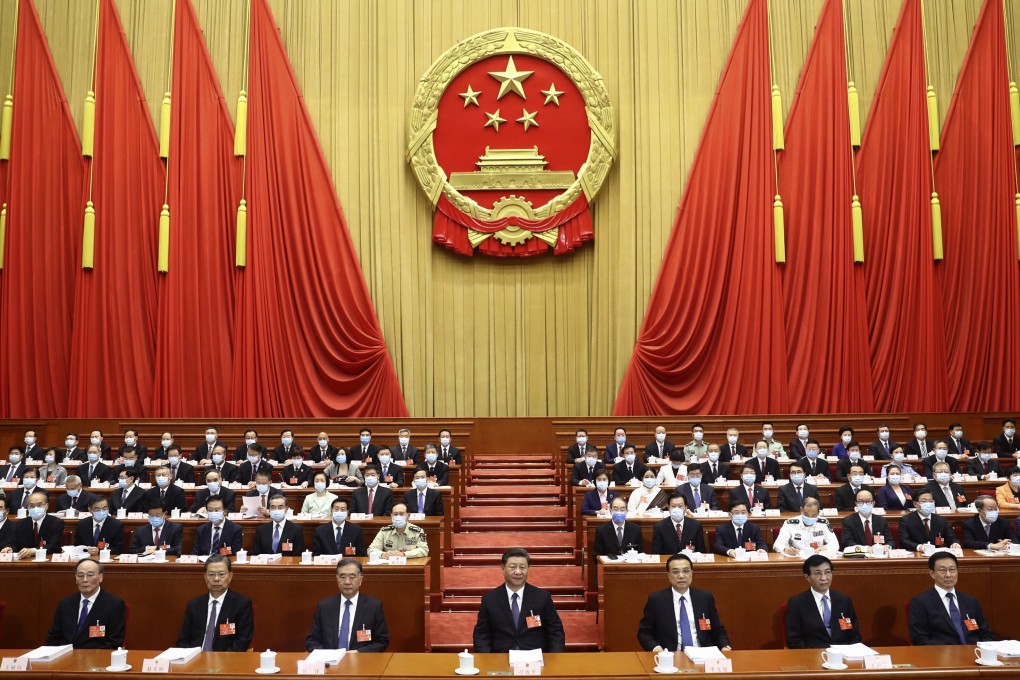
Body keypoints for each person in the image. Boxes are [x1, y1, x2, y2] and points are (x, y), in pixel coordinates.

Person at [473, 548, 565, 652]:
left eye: (522, 567)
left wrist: (554, 659)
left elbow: (555, 632)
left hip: (534, 659)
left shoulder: (542, 597)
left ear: (528, 569)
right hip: (501, 658)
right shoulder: (490, 599)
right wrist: (488, 659)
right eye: (512, 567)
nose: (518, 572)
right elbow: (482, 634)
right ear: (502, 568)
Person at [637, 553, 730, 652]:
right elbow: (644, 633)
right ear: (668, 575)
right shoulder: (656, 600)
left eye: (686, 571)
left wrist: (725, 647)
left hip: (703, 654)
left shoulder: (705, 598)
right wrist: (657, 649)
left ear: (691, 573)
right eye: (675, 572)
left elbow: (718, 630)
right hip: (670, 655)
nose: (681, 576)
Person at [908, 552, 995, 645]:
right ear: (932, 573)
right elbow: (919, 639)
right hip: (941, 656)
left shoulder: (970, 601)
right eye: (942, 570)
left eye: (952, 569)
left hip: (975, 654)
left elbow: (986, 634)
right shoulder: (921, 602)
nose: (948, 575)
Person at [306, 558, 390, 652]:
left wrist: (358, 653)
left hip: (361, 662)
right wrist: (327, 655)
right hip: (330, 663)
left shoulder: (373, 607)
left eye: (352, 576)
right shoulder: (324, 606)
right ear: (337, 579)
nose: (347, 582)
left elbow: (382, 641)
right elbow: (311, 641)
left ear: (360, 579)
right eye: (342, 577)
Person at [176, 554, 254, 651]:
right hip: (195, 659)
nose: (216, 579)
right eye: (211, 574)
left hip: (225, 660)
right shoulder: (194, 605)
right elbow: (183, 641)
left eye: (221, 574)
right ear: (205, 577)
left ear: (230, 576)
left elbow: (242, 641)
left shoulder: (241, 604)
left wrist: (221, 660)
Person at [45, 558, 126, 648]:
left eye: (90, 575)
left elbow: (114, 643)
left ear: (100, 577)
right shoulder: (65, 604)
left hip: (96, 659)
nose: (85, 580)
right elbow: (52, 638)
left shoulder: (114, 605)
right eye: (80, 575)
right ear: (75, 578)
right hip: (64, 657)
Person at [785, 554, 861, 649]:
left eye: (827, 572)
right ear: (807, 577)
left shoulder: (844, 600)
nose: (824, 578)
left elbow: (853, 635)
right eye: (818, 573)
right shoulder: (797, 603)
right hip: (812, 656)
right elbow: (794, 639)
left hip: (842, 655)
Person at [6, 492, 63, 558]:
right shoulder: (21, 523)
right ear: (28, 507)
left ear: (46, 506)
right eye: (32, 506)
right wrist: (10, 548)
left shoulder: (56, 523)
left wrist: (34, 550)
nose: (35, 508)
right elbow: (14, 543)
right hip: (25, 562)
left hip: (46, 561)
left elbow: (54, 546)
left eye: (39, 505)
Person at [773, 498, 838, 555]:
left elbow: (835, 544)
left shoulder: (823, 523)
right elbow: (777, 544)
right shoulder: (790, 523)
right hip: (797, 559)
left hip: (817, 558)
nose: (810, 517)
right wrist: (786, 549)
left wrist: (825, 548)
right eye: (806, 515)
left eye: (813, 515)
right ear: (801, 510)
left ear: (818, 513)